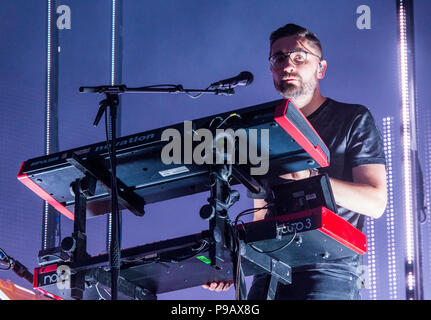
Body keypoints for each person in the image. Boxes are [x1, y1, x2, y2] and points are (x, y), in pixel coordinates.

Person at [203, 23, 387, 299]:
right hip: (269, 272)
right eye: (279, 58)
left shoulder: (353, 118)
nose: (288, 65)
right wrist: (233, 262)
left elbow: (375, 202)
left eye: (299, 57)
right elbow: (261, 215)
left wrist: (313, 179)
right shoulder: (262, 132)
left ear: (321, 69)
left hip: (328, 272)